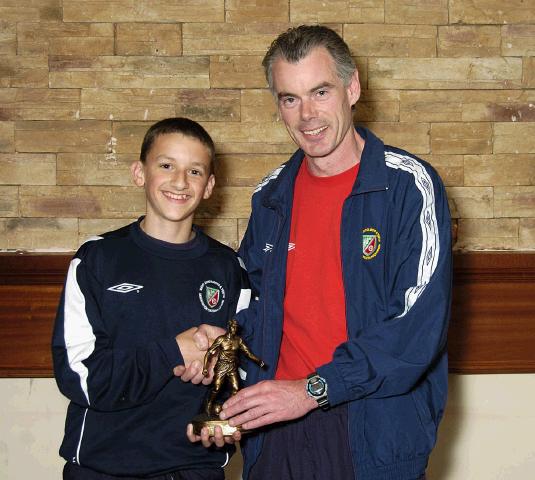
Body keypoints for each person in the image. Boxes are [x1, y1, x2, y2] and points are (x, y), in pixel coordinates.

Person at [191, 25, 452, 480]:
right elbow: (252, 310)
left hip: (371, 434)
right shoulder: (271, 196)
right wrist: (219, 368)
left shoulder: (409, 186)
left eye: (320, 92)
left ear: (352, 89)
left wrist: (313, 389)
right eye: (289, 98)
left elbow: (414, 329)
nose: (307, 115)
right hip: (276, 435)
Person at [52, 117, 251, 480]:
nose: (179, 181)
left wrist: (223, 417)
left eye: (194, 171)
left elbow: (239, 373)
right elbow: (79, 376)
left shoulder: (229, 268)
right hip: (105, 469)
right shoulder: (97, 260)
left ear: (209, 186)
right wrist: (173, 352)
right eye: (166, 165)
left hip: (194, 468)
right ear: (139, 173)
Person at [202, 319, 265, 416]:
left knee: (235, 389)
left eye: (236, 327)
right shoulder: (221, 339)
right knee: (217, 387)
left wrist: (259, 361)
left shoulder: (238, 340)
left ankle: (228, 409)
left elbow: (248, 353)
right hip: (221, 366)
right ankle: (209, 402)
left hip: (232, 367)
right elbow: (209, 352)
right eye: (233, 327)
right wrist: (205, 367)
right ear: (229, 327)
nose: (234, 329)